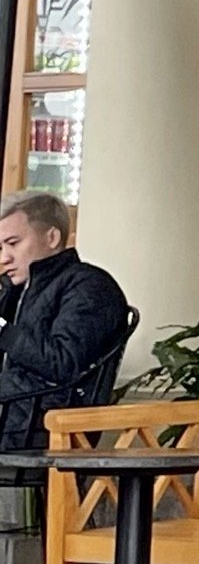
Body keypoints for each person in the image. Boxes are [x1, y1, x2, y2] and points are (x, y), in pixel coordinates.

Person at [0, 192, 125, 451]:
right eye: (1, 248)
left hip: (43, 426)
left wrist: (3, 331)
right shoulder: (15, 289)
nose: (4, 258)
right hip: (15, 417)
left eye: (14, 243)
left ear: (52, 237)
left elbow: (63, 364)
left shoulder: (90, 287)